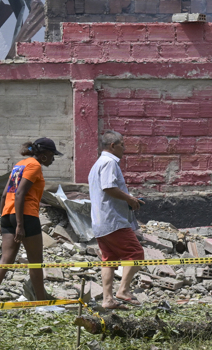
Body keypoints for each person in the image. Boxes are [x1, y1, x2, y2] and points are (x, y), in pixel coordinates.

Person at [0, 138, 62, 302]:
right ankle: (41, 304)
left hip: (8, 214)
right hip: (26, 216)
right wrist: (20, 225)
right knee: (36, 262)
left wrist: (3, 219)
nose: (53, 159)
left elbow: (5, 194)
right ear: (43, 155)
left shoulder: (19, 165)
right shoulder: (34, 166)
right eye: (52, 155)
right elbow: (20, 193)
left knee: (5, 259)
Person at [88, 130, 145, 309]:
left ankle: (107, 299)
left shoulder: (97, 164)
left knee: (109, 259)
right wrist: (129, 198)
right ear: (112, 146)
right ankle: (124, 290)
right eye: (122, 145)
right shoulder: (109, 162)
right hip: (113, 220)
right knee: (136, 254)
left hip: (99, 221)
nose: (124, 149)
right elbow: (108, 187)